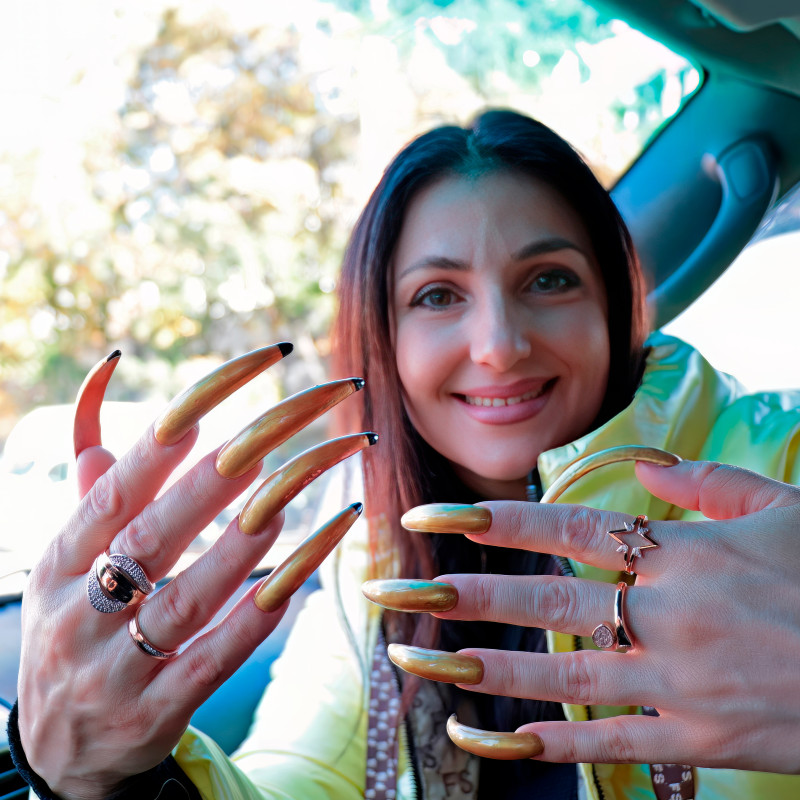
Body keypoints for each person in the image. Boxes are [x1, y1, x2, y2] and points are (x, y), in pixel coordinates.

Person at [9, 109, 800, 800]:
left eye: (549, 279)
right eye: (437, 295)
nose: (498, 346)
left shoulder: (771, 468)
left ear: (613, 303)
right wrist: (111, 779)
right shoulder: (368, 555)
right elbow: (298, 781)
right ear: (382, 337)